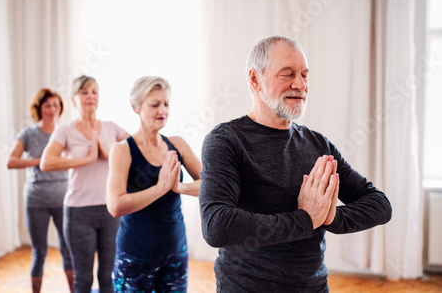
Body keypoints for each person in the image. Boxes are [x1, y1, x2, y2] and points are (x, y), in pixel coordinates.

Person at [199, 36, 392, 292]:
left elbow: (380, 204)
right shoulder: (226, 140)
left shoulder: (318, 144)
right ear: (255, 80)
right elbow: (217, 225)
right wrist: (305, 219)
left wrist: (331, 217)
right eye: (287, 74)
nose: (300, 84)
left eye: (304, 74)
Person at [106, 76, 202, 292]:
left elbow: (213, 185)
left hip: (175, 252)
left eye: (166, 103)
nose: (163, 110)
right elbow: (115, 206)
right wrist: (161, 188)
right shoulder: (122, 150)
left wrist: (181, 188)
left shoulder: (177, 144)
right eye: (155, 104)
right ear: (136, 107)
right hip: (136, 256)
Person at [40, 76, 129, 293]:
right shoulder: (65, 131)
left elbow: (136, 156)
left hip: (111, 210)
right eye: (84, 92)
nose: (90, 96)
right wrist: (87, 159)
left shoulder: (111, 128)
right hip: (78, 212)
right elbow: (46, 162)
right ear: (73, 99)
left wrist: (106, 153)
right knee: (83, 279)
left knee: (109, 277)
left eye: (94, 92)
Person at [7, 88, 73, 293]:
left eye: (56, 105)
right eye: (47, 105)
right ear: (39, 108)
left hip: (63, 198)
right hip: (36, 200)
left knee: (68, 249)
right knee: (40, 251)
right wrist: (42, 161)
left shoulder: (66, 132)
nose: (52, 109)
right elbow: (11, 162)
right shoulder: (28, 134)